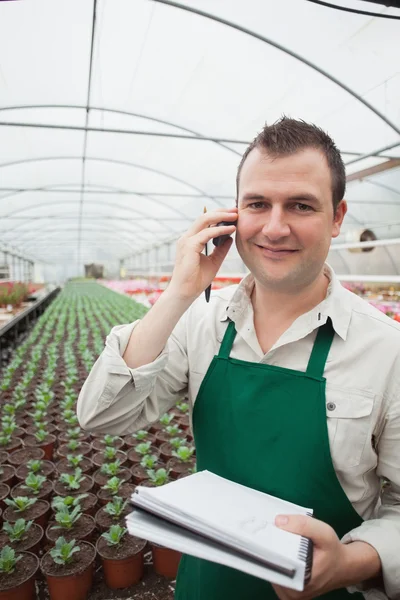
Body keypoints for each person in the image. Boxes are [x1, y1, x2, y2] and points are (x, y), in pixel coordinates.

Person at [77, 117, 400, 600]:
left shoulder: (387, 351)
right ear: (233, 216)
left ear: (337, 217)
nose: (274, 227)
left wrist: (349, 564)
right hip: (208, 584)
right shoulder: (200, 325)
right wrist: (179, 293)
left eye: (300, 205)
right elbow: (101, 415)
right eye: (257, 204)